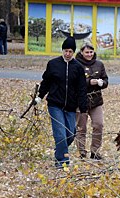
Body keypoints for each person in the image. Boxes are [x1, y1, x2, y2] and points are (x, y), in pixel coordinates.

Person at [35, 36, 88, 169]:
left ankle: (59, 149)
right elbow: (46, 81)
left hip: (71, 106)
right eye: (65, 51)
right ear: (62, 50)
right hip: (55, 104)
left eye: (70, 51)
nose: (67, 54)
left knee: (70, 134)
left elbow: (82, 89)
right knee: (60, 133)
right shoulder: (53, 64)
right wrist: (40, 96)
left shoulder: (78, 68)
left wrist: (83, 108)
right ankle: (62, 163)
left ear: (74, 52)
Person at [75, 42, 109, 160]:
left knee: (98, 124)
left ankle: (95, 151)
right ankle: (82, 152)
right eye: (87, 52)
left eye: (91, 52)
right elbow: (74, 82)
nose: (89, 54)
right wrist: (89, 82)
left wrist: (102, 83)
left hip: (96, 100)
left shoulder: (99, 64)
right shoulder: (76, 64)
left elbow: (106, 80)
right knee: (81, 127)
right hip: (81, 100)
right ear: (81, 52)